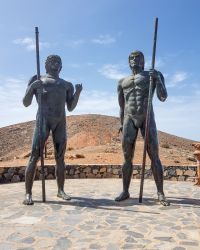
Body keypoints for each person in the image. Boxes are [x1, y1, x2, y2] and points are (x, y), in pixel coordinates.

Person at [23, 55, 82, 205]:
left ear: (61, 66)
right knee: (34, 156)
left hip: (60, 122)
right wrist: (31, 88)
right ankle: (28, 193)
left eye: (58, 62)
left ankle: (60, 190)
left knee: (60, 157)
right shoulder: (38, 79)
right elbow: (26, 103)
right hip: (43, 120)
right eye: (52, 61)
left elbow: (70, 107)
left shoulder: (66, 85)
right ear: (46, 65)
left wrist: (78, 93)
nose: (55, 63)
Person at [115, 50, 170, 206]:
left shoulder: (152, 75)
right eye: (131, 57)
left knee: (154, 155)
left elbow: (163, 97)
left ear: (143, 61)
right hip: (128, 119)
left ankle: (160, 192)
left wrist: (158, 80)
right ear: (128, 61)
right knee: (127, 157)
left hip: (147, 117)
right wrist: (121, 123)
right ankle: (125, 191)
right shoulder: (122, 82)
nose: (134, 60)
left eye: (137, 57)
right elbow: (121, 106)